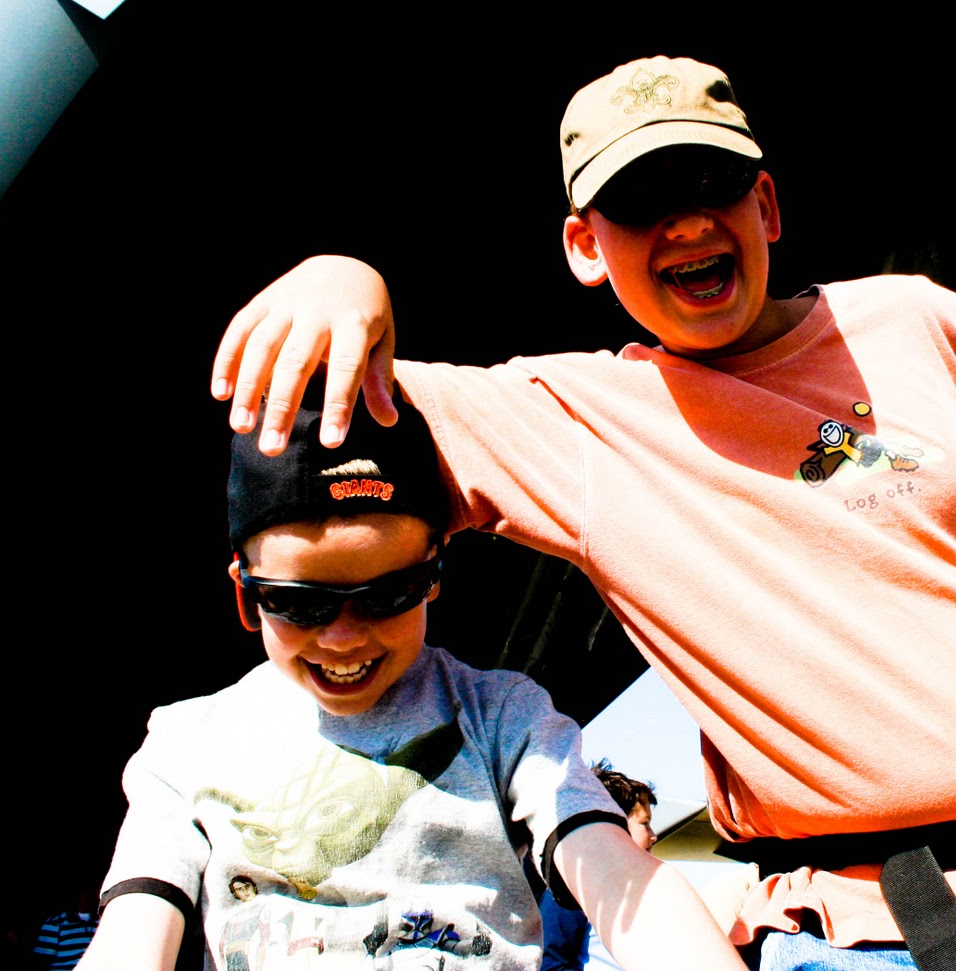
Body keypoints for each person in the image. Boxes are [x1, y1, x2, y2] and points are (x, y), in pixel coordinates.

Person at [212, 55, 956, 970]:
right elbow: (347, 398)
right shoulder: (578, 425)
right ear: (584, 246)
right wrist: (343, 275)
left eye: (710, 183)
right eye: (639, 201)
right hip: (857, 936)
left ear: (764, 205)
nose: (684, 223)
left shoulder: (923, 325)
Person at [76, 402, 744, 970]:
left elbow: (619, 875)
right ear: (246, 596)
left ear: (434, 577)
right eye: (299, 602)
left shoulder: (503, 716)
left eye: (389, 594)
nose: (344, 636)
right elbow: (135, 934)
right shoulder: (186, 741)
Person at [540, 763, 657, 971]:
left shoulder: (642, 893)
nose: (653, 835)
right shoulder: (570, 891)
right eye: (644, 824)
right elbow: (551, 963)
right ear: (616, 823)